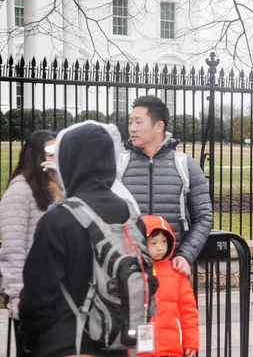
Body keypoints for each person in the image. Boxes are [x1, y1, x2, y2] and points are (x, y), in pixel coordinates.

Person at [18, 121, 155, 356]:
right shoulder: (131, 215)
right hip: (116, 342)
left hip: (67, 344)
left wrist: (28, 339)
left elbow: (37, 296)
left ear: (69, 161)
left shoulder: (58, 220)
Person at [122, 95, 213, 275]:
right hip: (128, 271)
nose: (132, 128)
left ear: (159, 126)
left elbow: (203, 217)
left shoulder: (186, 165)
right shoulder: (118, 165)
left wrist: (186, 255)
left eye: (138, 122)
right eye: (130, 122)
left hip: (171, 271)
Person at [0, 130, 61, 357]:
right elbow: (12, 249)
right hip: (31, 297)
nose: (58, 157)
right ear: (37, 156)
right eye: (52, 152)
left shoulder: (56, 188)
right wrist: (16, 294)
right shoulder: (19, 191)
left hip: (57, 295)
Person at [138, 214, 199, 357]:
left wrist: (191, 341)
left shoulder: (176, 272)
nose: (160, 248)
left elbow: (188, 310)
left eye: (164, 241)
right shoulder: (131, 272)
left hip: (171, 349)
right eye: (153, 243)